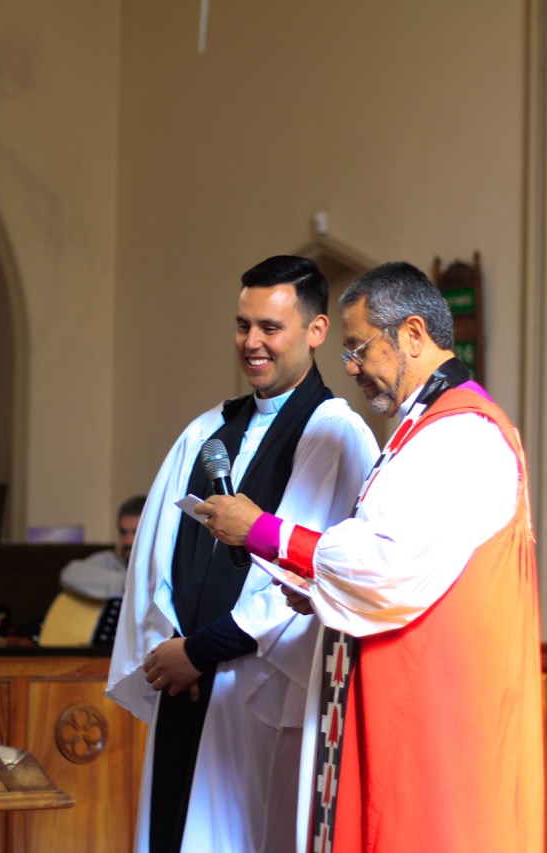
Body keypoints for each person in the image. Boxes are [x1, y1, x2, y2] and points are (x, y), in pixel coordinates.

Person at [197, 261, 544, 853]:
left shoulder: (461, 434)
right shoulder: (424, 428)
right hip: (406, 697)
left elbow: (387, 564)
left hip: (436, 714)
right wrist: (319, 589)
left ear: (413, 334)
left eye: (359, 349)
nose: (351, 366)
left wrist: (263, 532)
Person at [107, 255, 379, 853]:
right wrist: (171, 650)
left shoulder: (334, 433)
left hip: (254, 689)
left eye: (269, 328)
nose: (252, 342)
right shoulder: (207, 430)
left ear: (316, 330)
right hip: (186, 679)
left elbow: (312, 574)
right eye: (242, 325)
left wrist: (200, 652)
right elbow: (153, 556)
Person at [58, 494, 146, 600]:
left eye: (136, 533)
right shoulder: (113, 560)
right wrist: (128, 583)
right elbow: (69, 575)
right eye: (123, 533)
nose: (128, 541)